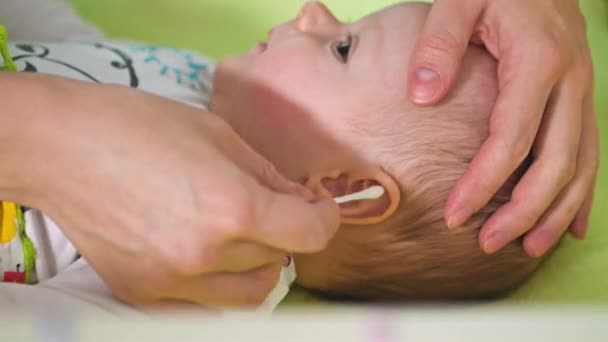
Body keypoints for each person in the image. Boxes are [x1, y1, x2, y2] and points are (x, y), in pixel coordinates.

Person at [0, 0, 597, 307]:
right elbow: (74, 46)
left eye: (341, 47)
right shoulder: (197, 79)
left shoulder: (213, 278)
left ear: (341, 190)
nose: (312, 11)